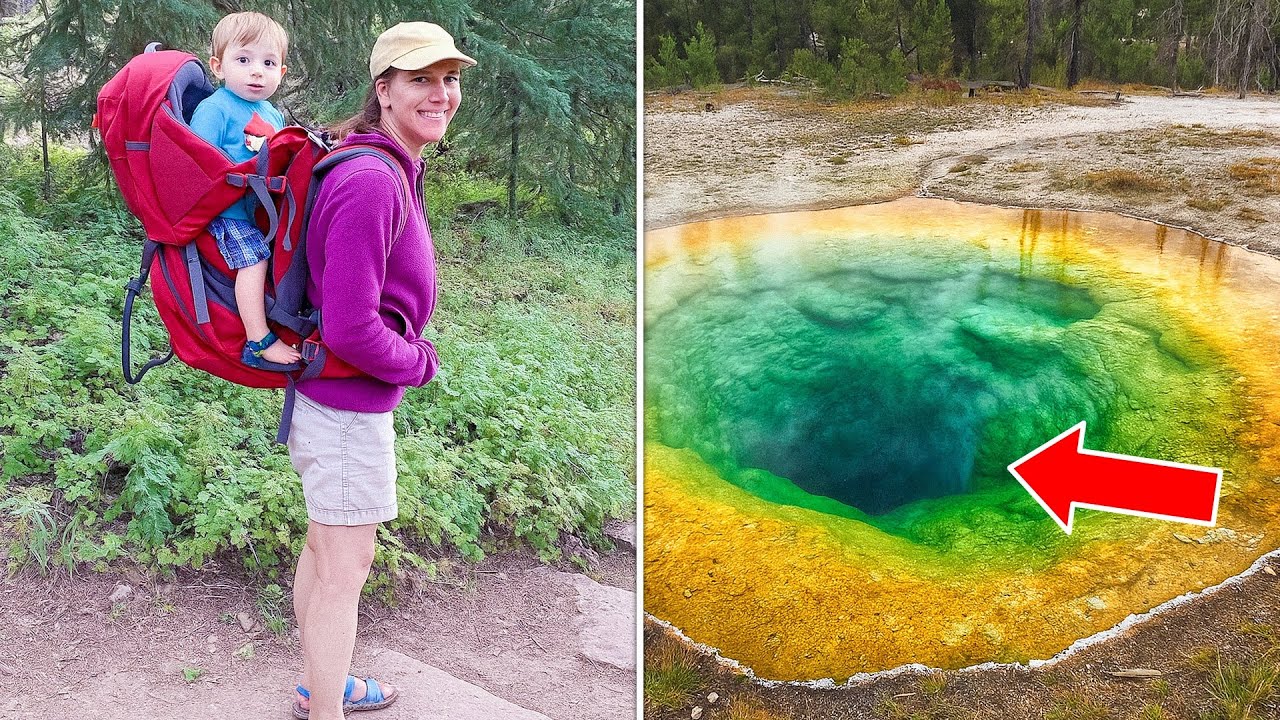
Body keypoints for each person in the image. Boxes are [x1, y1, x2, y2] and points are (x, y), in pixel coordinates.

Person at [285, 21, 475, 720]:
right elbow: (350, 326)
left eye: (449, 79)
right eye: (420, 79)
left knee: (324, 551)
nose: (440, 93)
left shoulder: (390, 165)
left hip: (332, 399)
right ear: (384, 90)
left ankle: (321, 686)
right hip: (344, 407)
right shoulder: (371, 179)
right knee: (345, 570)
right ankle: (325, 710)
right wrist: (419, 362)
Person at [190, 11, 302, 368]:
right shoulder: (215, 109)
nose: (257, 71)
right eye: (243, 60)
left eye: (268, 63)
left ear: (281, 72)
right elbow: (197, 162)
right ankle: (258, 341)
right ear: (218, 67)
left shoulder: (272, 113)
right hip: (227, 212)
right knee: (255, 261)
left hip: (262, 210)